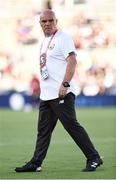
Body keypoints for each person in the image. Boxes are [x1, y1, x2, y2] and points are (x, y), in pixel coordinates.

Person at [15, 9, 103, 173]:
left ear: (56, 21)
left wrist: (65, 84)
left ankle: (94, 158)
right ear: (40, 24)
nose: (47, 24)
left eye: (50, 21)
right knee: (43, 131)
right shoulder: (44, 42)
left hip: (61, 92)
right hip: (46, 95)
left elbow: (72, 60)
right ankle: (36, 163)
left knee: (71, 125)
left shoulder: (63, 38)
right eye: (44, 21)